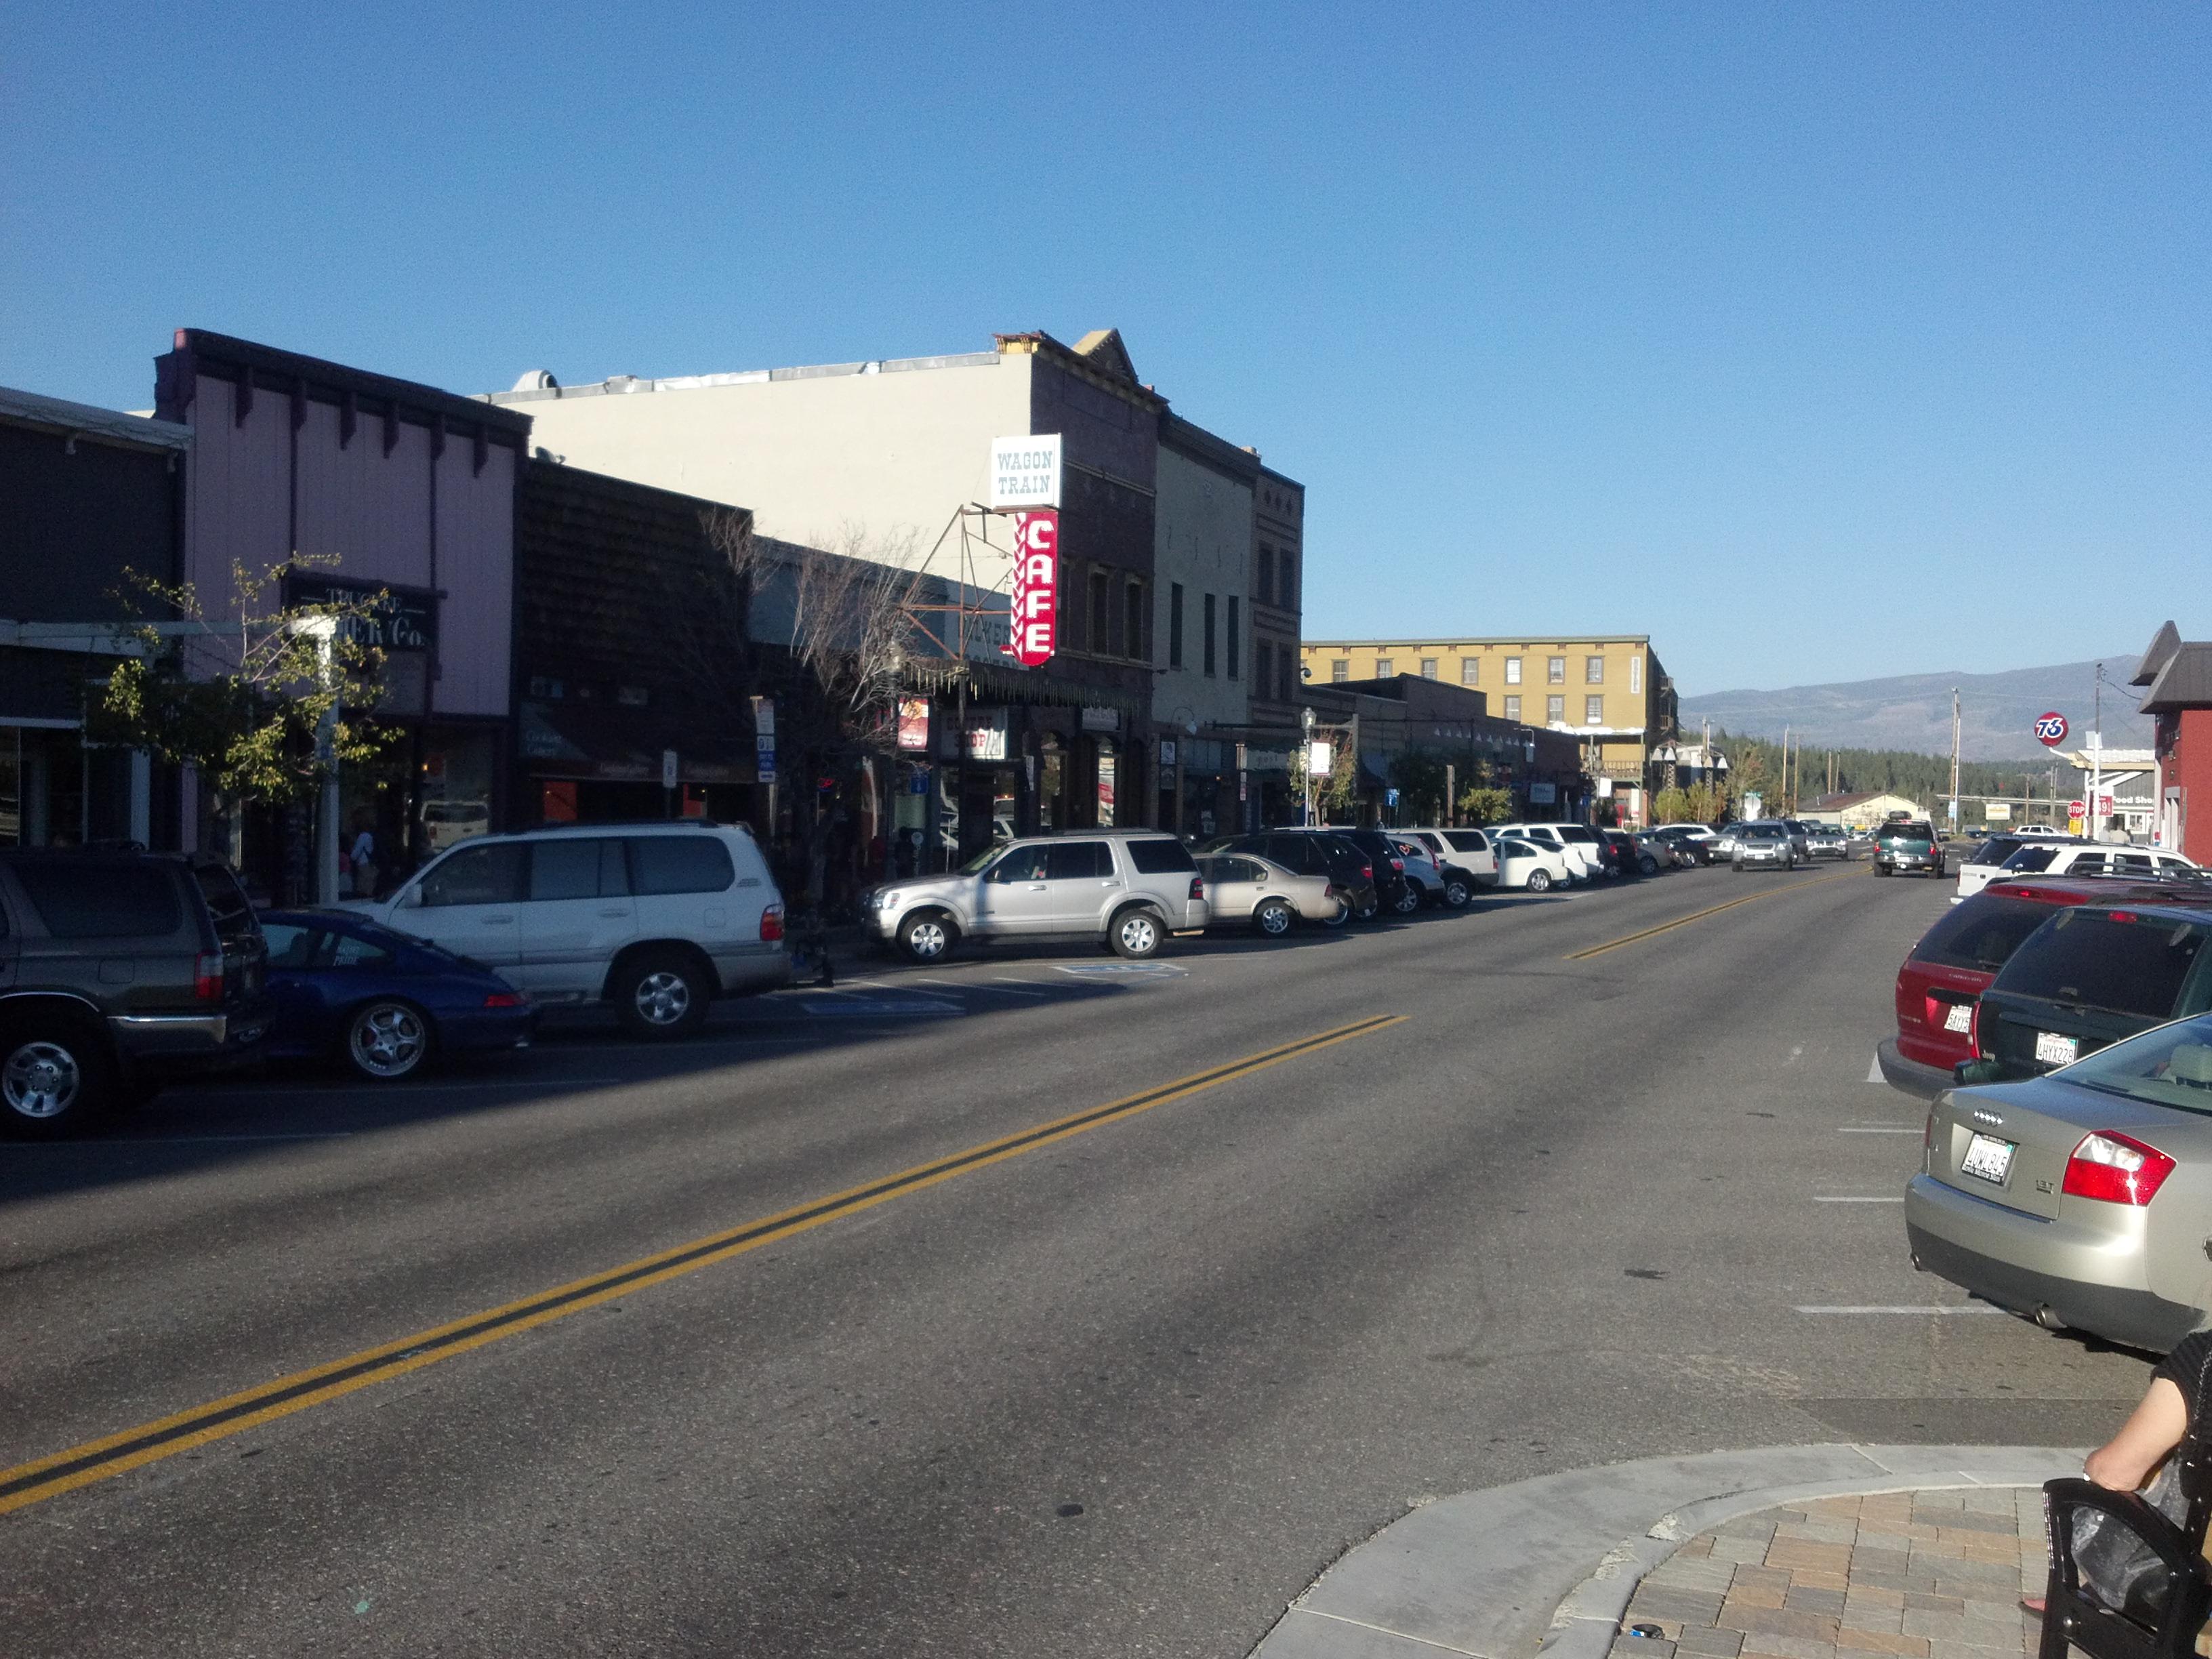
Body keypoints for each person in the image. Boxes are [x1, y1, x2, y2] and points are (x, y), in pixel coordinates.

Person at [2026, 1330, 2212, 1617]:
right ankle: (2092, 1595)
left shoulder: (2205, 1358)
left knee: (2099, 1486)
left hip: (2192, 1593)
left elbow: (2117, 1474)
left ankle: (2087, 1596)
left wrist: (2094, 1468)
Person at [349, 818, 379, 899]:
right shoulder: (372, 836)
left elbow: (356, 852)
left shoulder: (363, 836)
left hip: (364, 863)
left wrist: (351, 858)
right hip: (371, 863)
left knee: (364, 886)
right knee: (370, 884)